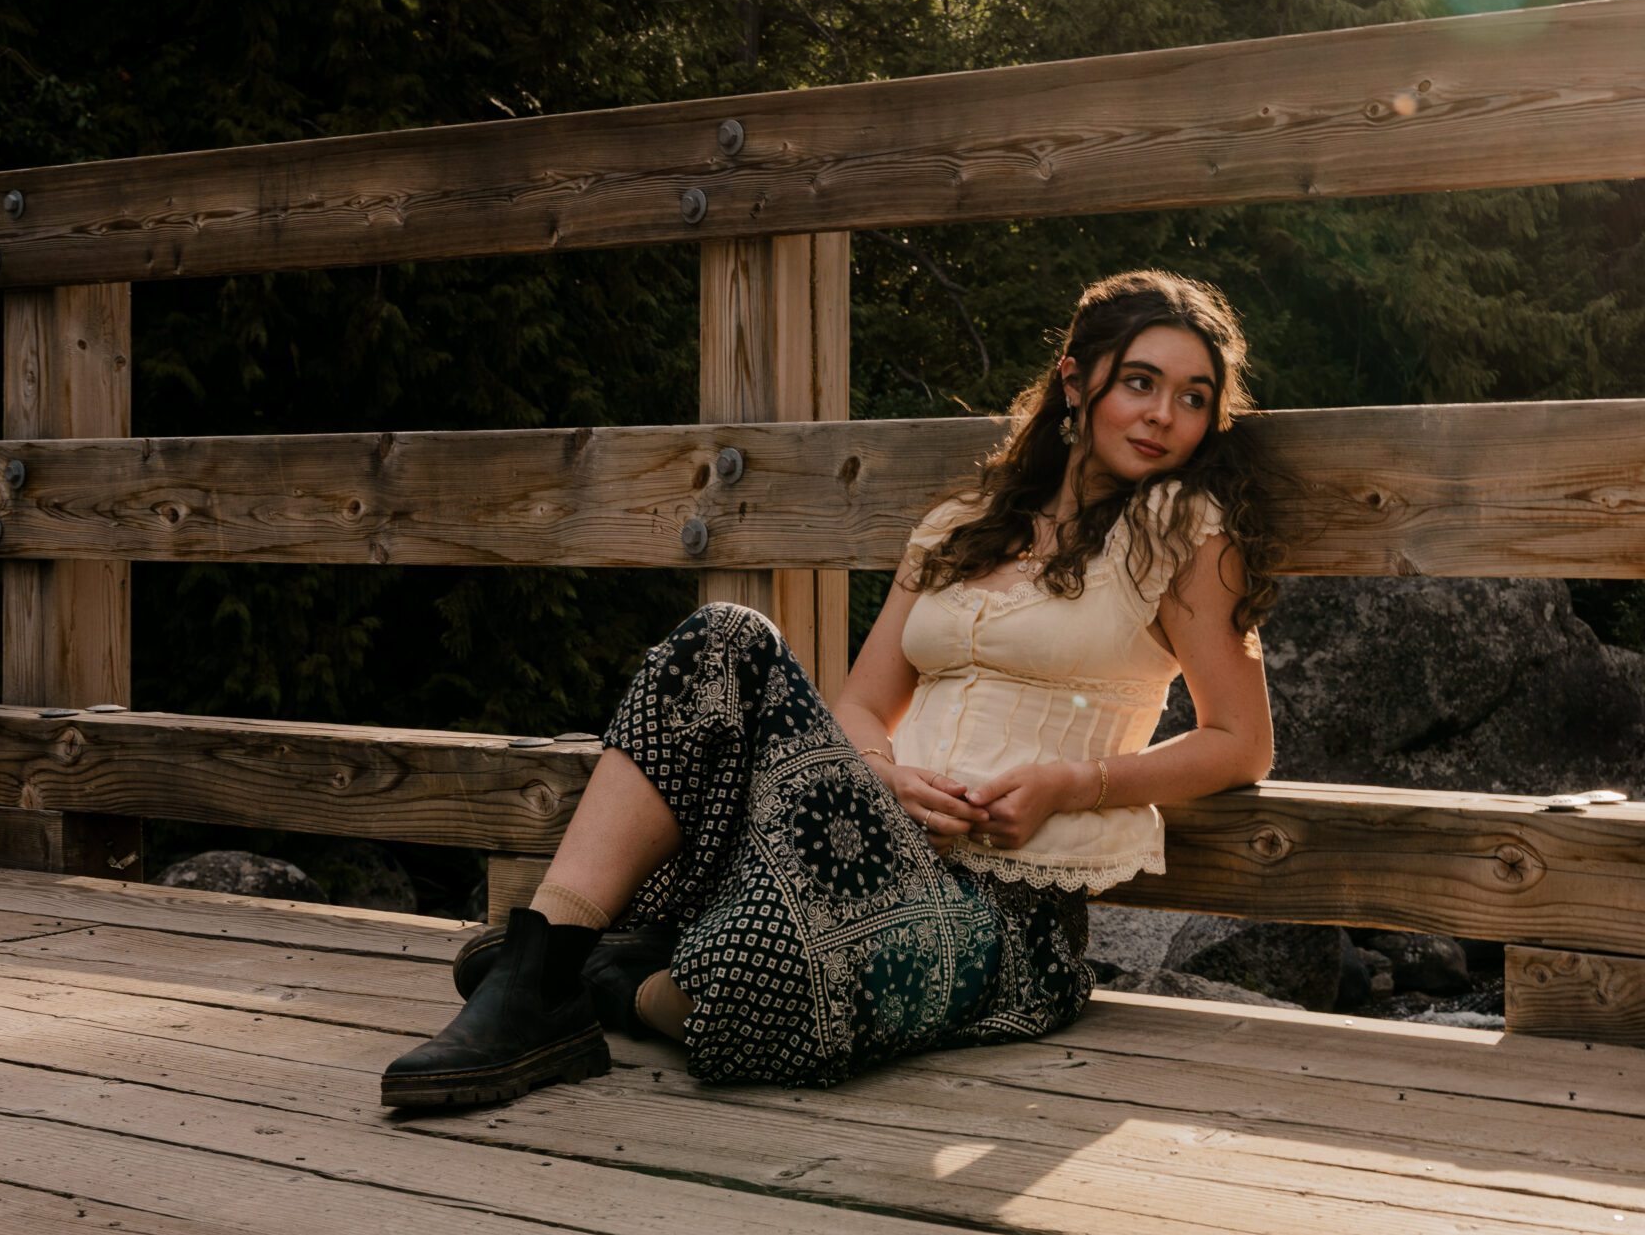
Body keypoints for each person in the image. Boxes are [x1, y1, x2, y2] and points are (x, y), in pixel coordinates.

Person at [380, 269, 1285, 1109]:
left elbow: (1240, 739)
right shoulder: (959, 526)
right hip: (866, 832)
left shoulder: (1187, 533)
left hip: (1002, 914)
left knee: (745, 996)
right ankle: (541, 975)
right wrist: (878, 772)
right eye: (1141, 382)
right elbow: (859, 705)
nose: (1165, 414)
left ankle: (598, 975)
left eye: (1193, 397)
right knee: (726, 638)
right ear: (1077, 381)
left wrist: (1066, 782)